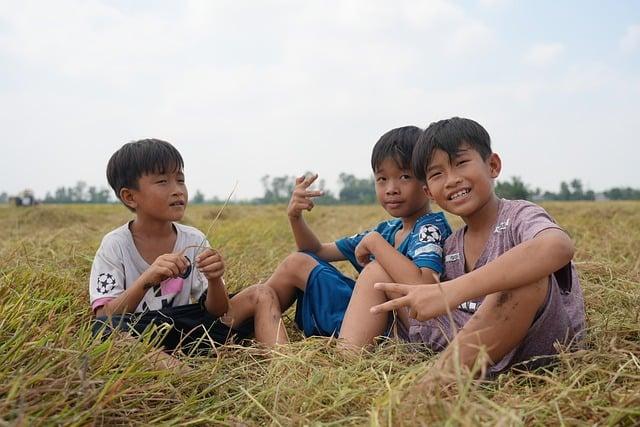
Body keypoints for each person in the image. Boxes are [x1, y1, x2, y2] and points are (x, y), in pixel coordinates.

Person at [370, 117, 586, 378]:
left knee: (527, 279)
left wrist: (452, 291)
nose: (452, 180)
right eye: (438, 174)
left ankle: (431, 390)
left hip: (534, 352)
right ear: (429, 192)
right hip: (471, 351)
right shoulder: (451, 244)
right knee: (381, 277)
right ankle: (349, 355)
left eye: (461, 163)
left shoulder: (519, 216)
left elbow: (557, 246)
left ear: (492, 165)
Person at [225, 126, 452, 341]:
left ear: (427, 182)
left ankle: (237, 323)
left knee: (307, 264)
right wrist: (295, 217)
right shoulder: (387, 231)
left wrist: (374, 244)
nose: (391, 188)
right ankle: (238, 322)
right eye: (382, 179)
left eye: (404, 176)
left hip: (387, 324)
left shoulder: (429, 228)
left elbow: (426, 286)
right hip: (364, 311)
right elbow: (316, 252)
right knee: (297, 262)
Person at [90, 139, 287, 356]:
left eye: (180, 180)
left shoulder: (194, 238)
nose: (178, 191)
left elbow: (217, 310)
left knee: (261, 293)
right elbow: (105, 315)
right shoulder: (115, 245)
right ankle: (186, 378)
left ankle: (285, 367)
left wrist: (214, 280)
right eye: (163, 181)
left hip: (189, 330)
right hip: (142, 335)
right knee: (105, 330)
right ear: (130, 196)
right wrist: (146, 279)